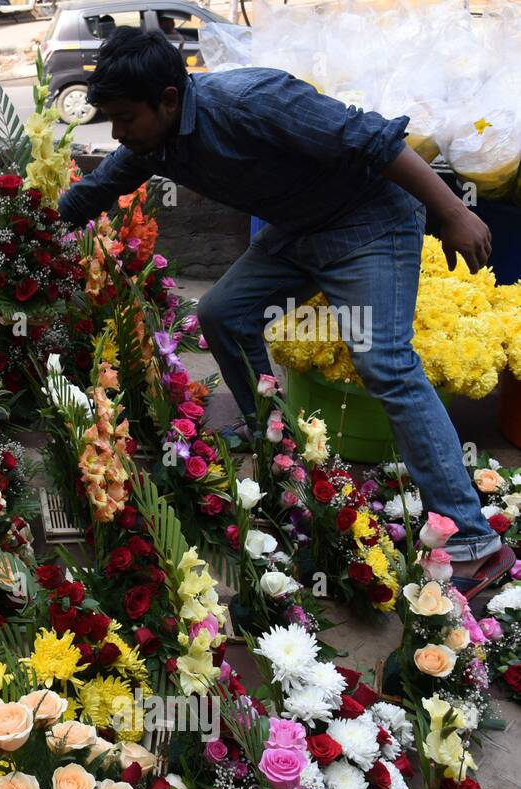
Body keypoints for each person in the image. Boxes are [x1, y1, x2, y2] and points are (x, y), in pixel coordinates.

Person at [58, 28, 511, 597]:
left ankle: (473, 540)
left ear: (168, 99)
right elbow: (94, 190)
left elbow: (378, 141)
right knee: (222, 314)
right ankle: (268, 434)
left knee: (387, 365)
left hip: (367, 225)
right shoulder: (156, 140)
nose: (119, 134)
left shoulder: (253, 102)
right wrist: (27, 225)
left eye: (125, 118)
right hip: (298, 232)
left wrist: (453, 213)